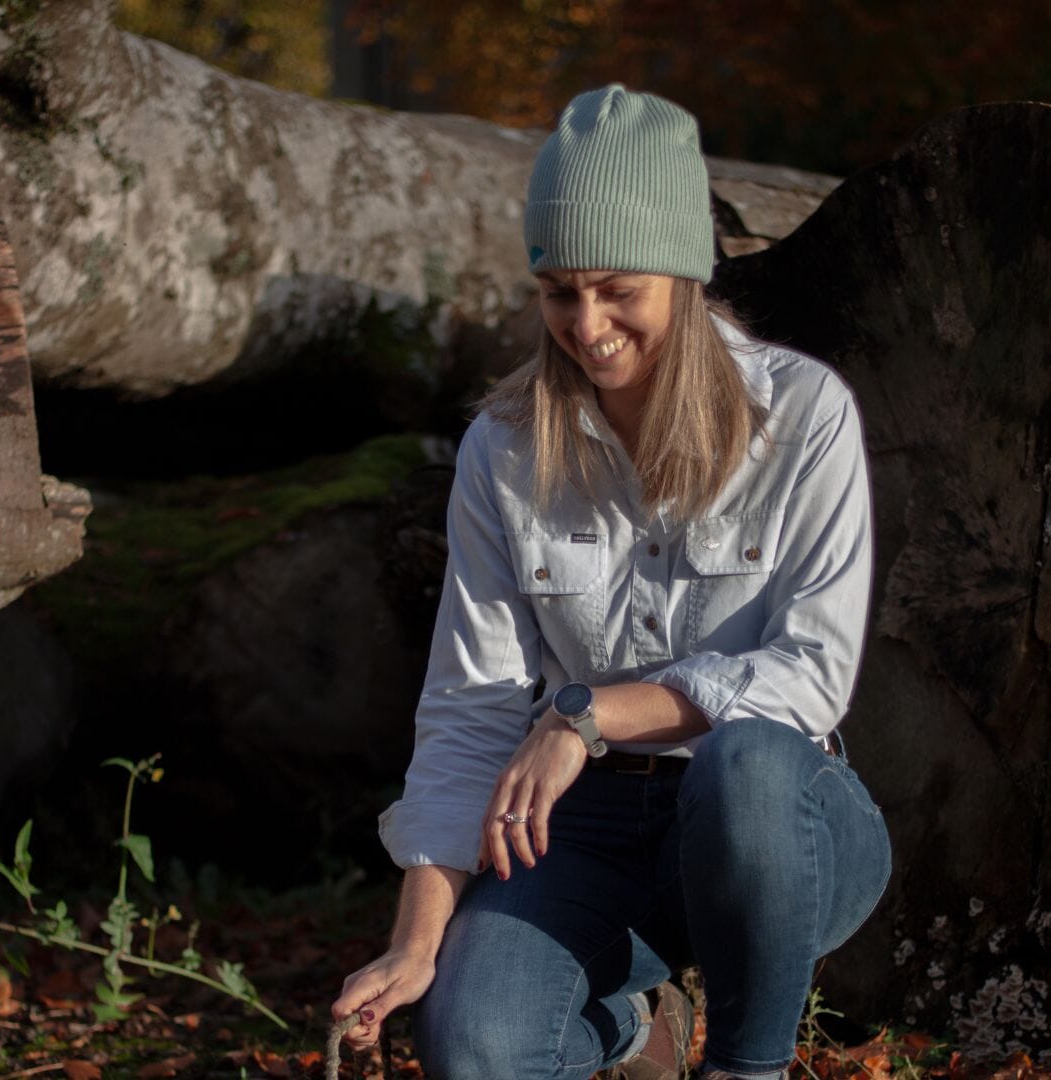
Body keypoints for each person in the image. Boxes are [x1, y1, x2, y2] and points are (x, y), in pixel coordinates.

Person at [332, 84, 891, 1080]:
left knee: (747, 765)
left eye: (617, 287)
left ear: (682, 271)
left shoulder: (804, 417)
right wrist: (417, 942)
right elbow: (470, 706)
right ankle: (639, 1032)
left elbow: (809, 678)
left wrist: (585, 714)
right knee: (471, 1049)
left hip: (778, 838)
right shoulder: (503, 450)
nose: (587, 327)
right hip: (586, 830)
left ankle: (744, 1067)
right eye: (559, 291)